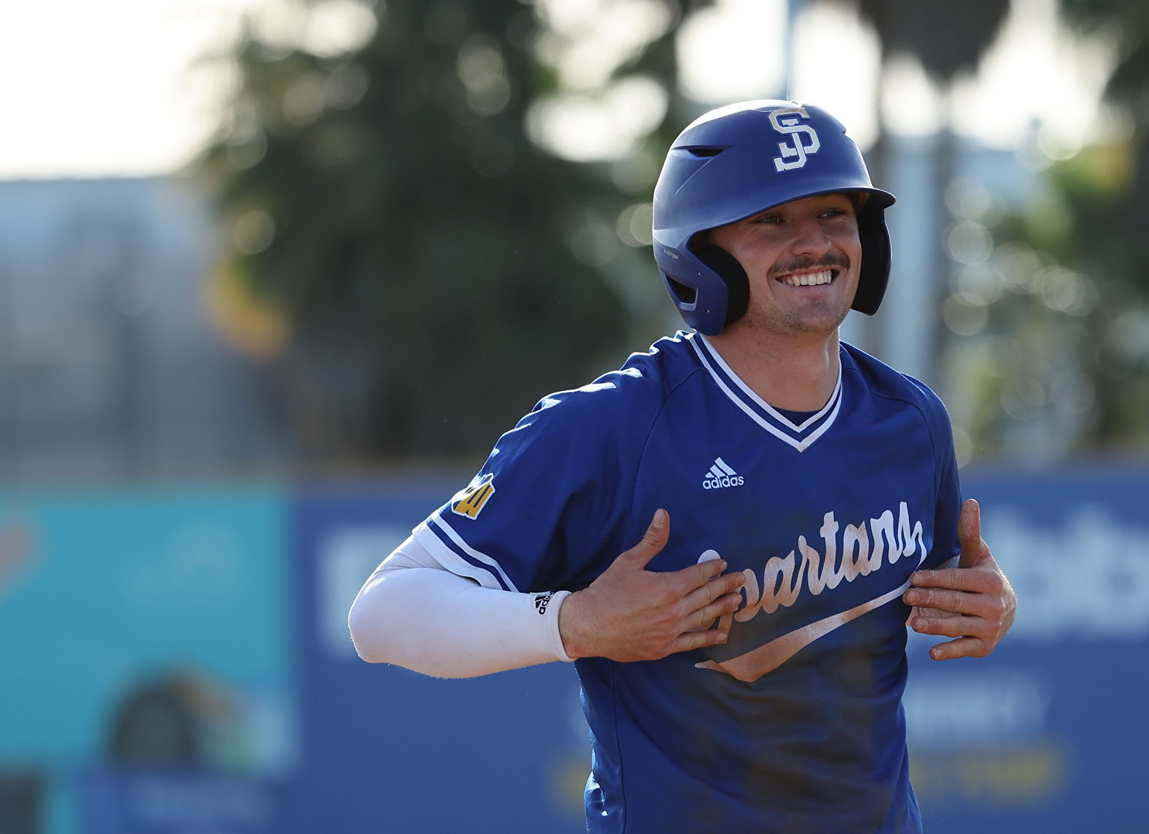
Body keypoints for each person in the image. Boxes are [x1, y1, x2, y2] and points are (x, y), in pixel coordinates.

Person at [347, 99, 1016, 833]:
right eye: (771, 220)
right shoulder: (608, 427)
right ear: (699, 250)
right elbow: (382, 614)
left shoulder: (909, 418)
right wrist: (573, 622)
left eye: (833, 214)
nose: (814, 243)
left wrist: (990, 605)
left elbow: (949, 588)